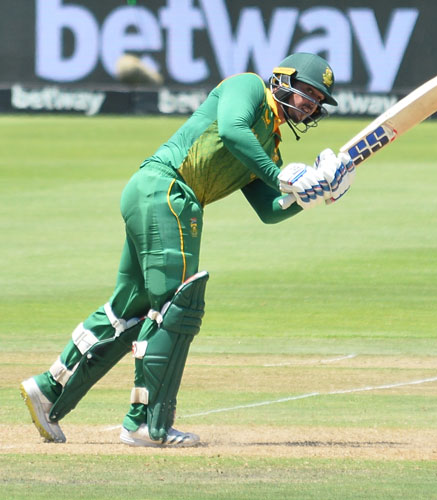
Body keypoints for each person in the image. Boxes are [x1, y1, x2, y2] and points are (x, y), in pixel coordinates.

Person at [20, 53, 355, 448]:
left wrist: (313, 195)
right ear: (283, 80)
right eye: (308, 93)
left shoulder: (270, 144)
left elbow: (269, 210)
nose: (311, 105)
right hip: (168, 190)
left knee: (129, 311)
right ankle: (147, 425)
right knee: (176, 308)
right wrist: (281, 175)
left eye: (318, 101)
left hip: (155, 194)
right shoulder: (248, 87)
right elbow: (232, 130)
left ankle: (48, 390)